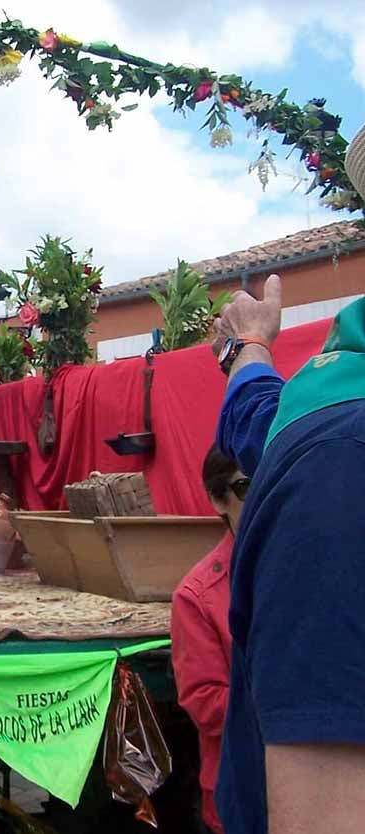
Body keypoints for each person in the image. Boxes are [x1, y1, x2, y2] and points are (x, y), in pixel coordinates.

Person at [212, 273, 365, 834]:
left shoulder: (328, 427)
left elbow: (261, 421)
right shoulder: (340, 454)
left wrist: (248, 345)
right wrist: (248, 347)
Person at [171, 446, 248, 834]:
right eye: (249, 487)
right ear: (219, 499)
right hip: (242, 793)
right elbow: (205, 703)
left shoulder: (317, 571)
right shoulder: (198, 595)